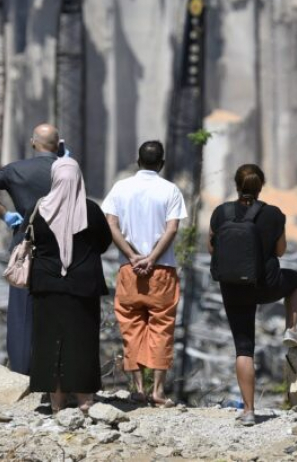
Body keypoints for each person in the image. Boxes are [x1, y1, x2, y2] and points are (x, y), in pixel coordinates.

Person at [208, 163, 297, 427]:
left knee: (244, 348)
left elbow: (212, 248)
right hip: (266, 284)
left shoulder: (221, 212)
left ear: (236, 185)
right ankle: (291, 329)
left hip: (233, 288)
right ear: (261, 186)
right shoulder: (274, 214)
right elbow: (281, 251)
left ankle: (249, 411)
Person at [102, 141, 186, 407]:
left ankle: (138, 389)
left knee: (131, 327)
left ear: (138, 161)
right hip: (162, 270)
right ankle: (158, 391)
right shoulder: (170, 190)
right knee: (162, 328)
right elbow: (172, 229)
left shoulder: (120, 187)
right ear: (162, 164)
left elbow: (111, 224)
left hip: (129, 269)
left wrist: (131, 255)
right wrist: (152, 258)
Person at [0, 123, 60, 374]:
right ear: (58, 145)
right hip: (61, 249)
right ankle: (55, 376)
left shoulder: (16, 170)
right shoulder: (67, 171)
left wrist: (6, 215)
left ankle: (23, 374)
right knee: (57, 311)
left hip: (26, 248)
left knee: (23, 314)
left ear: (33, 143)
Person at [29, 157, 112, 413]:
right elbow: (104, 242)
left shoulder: (39, 209)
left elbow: (31, 240)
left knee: (49, 342)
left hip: (47, 285)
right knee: (82, 341)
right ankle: (85, 400)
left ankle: (57, 402)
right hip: (82, 286)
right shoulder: (91, 210)